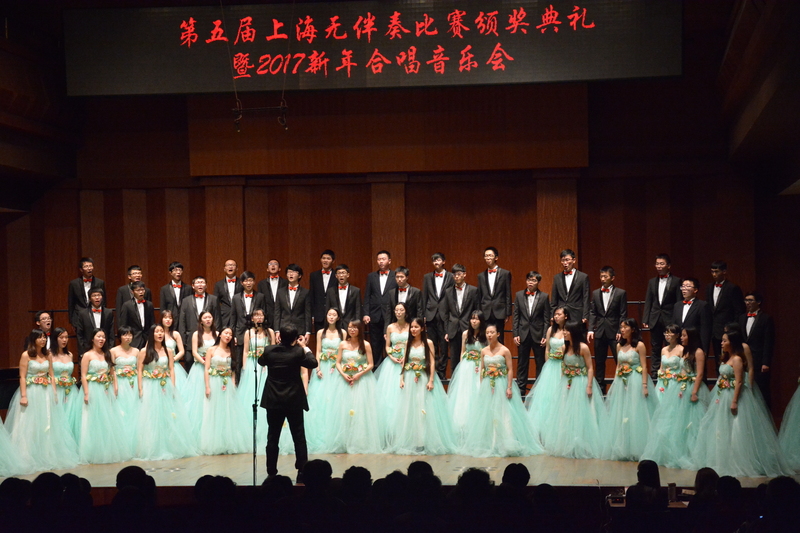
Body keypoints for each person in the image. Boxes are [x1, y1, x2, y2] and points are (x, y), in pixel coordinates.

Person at [692, 330, 792, 477]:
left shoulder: (738, 359)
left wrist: (734, 401)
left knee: (737, 428)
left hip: (734, 396)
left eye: (725, 340)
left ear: (732, 342)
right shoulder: (727, 357)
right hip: (723, 396)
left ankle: (740, 461)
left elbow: (739, 381)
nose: (721, 343)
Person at [462, 323, 543, 457]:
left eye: (492, 332)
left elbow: (510, 370)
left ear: (498, 334)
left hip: (501, 383)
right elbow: (482, 369)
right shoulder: (484, 351)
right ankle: (489, 442)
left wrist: (509, 387)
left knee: (503, 412)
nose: (489, 335)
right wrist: (482, 386)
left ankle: (505, 441)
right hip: (488, 384)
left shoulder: (505, 350)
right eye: (487, 332)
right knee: (488, 412)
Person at [5, 330, 78, 471]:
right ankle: (27, 455)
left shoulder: (47, 355)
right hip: (32, 391)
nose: (43, 340)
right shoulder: (26, 355)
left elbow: (51, 375)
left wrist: (54, 393)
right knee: (30, 422)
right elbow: (22, 377)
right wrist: (24, 395)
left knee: (47, 421)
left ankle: (47, 453)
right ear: (33, 339)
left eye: (44, 337)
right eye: (40, 337)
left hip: (46, 392)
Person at [642, 327, 710, 469]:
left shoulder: (698, 352)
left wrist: (694, 392)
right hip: (681, 386)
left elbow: (699, 374)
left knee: (692, 421)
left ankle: (693, 452)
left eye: (684, 335)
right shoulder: (686, 351)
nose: (682, 338)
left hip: (692, 387)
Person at [258, 326, 318, 482]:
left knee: (273, 437)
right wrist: (304, 347)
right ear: (295, 339)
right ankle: (302, 471)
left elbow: (260, 361)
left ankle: (271, 471)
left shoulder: (269, 350)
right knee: (299, 437)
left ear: (279, 337)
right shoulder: (298, 352)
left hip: (274, 399)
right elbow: (313, 363)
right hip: (293, 400)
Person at [388, 317, 456, 455]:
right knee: (410, 408)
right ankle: (412, 440)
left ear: (422, 328)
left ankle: (424, 440)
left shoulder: (428, 343)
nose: (413, 329)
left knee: (423, 408)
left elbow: (431, 362)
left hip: (423, 377)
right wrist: (401, 378)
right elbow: (405, 361)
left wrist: (431, 380)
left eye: (416, 327)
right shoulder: (408, 343)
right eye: (412, 327)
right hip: (410, 378)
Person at [135, 324, 196, 460]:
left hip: (165, 385)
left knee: (167, 415)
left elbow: (171, 369)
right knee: (151, 415)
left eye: (161, 331)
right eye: (157, 331)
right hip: (150, 385)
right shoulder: (144, 351)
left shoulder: (168, 350)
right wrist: (140, 388)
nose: (160, 334)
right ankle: (151, 447)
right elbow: (139, 370)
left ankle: (169, 445)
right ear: (152, 334)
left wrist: (172, 386)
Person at [547, 320, 606, 459]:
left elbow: (590, 368)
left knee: (581, 412)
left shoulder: (583, 348)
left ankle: (583, 444)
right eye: (564, 330)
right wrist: (562, 383)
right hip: (568, 383)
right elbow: (563, 366)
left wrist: (589, 385)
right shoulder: (564, 347)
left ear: (573, 332)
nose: (564, 333)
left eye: (567, 330)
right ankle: (568, 443)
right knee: (566, 412)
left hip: (581, 382)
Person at [602, 318, 656, 461]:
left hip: (635, 380)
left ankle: (638, 446)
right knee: (622, 412)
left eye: (625, 327)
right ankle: (623, 445)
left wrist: (644, 385)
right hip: (622, 381)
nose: (622, 330)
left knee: (635, 411)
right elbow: (618, 366)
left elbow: (644, 366)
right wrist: (615, 382)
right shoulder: (619, 346)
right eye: (621, 327)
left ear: (633, 329)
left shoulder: (639, 345)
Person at [79, 328, 132, 464]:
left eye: (103, 337)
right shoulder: (87, 355)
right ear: (92, 339)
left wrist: (115, 386)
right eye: (99, 336)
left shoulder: (107, 354)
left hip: (106, 389)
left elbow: (112, 372)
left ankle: (108, 450)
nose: (101, 339)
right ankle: (93, 451)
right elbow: (83, 375)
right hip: (93, 388)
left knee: (108, 418)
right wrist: (86, 392)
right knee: (93, 419)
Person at [329, 320, 382, 453]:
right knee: (344, 409)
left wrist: (359, 374)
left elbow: (371, 364)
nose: (352, 330)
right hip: (344, 380)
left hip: (362, 380)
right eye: (350, 327)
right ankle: (344, 441)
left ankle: (361, 441)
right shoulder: (342, 344)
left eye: (355, 328)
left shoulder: (366, 344)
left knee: (361, 410)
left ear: (360, 330)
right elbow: (338, 362)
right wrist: (343, 374)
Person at [199, 327, 249, 455]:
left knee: (227, 412)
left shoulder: (231, 351)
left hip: (226, 383)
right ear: (220, 335)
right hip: (214, 382)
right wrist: (207, 386)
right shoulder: (211, 350)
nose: (228, 336)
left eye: (230, 334)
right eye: (226, 333)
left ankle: (227, 442)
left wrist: (233, 385)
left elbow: (232, 371)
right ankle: (214, 443)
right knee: (214, 411)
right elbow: (206, 369)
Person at [526, 307, 570, 447]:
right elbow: (547, 349)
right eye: (555, 314)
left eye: (559, 314)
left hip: (563, 366)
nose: (556, 317)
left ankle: (561, 430)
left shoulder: (568, 331)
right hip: (551, 365)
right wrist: (547, 364)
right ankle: (544, 432)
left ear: (566, 316)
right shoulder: (551, 330)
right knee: (547, 397)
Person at [306, 308, 345, 453]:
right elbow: (318, 351)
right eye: (329, 314)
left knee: (335, 399)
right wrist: (317, 368)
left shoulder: (343, 333)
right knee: (321, 399)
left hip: (336, 367)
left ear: (338, 317)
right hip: (323, 366)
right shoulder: (320, 332)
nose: (331, 317)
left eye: (334, 315)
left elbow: (344, 351)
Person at [447, 310, 487, 446]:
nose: (474, 321)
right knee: (464, 393)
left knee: (477, 391)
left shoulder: (485, 335)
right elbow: (462, 352)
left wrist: (482, 366)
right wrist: (462, 366)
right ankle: (462, 424)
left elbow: (487, 352)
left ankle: (478, 423)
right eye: (472, 319)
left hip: (479, 366)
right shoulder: (465, 334)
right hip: (467, 366)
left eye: (477, 319)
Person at [374, 303, 411, 447]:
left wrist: (405, 358)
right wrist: (392, 356)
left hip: (407, 360)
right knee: (390, 395)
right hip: (392, 362)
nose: (399, 312)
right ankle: (389, 432)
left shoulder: (410, 326)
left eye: (401, 310)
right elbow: (387, 346)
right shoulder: (390, 327)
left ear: (406, 312)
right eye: (397, 310)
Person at [238, 308, 274, 451]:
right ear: (252, 318)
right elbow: (245, 351)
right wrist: (245, 367)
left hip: (266, 366)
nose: (259, 318)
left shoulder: (269, 332)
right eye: (256, 315)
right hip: (252, 365)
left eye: (261, 315)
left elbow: (273, 350)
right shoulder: (248, 332)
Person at [642, 254, 682, 380]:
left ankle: (670, 372)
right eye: (657, 264)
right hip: (655, 318)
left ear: (668, 266)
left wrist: (677, 320)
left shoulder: (676, 281)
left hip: (670, 318)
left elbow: (678, 302)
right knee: (655, 347)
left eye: (662, 264)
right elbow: (649, 300)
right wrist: (645, 318)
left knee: (671, 345)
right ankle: (655, 373)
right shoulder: (652, 281)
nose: (659, 266)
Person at [587, 266, 627, 392]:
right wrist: (590, 329)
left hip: (614, 331)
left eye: (605, 276)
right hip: (600, 331)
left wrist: (620, 330)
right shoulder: (595, 293)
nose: (603, 279)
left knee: (619, 359)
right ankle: (600, 388)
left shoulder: (620, 293)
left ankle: (623, 386)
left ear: (612, 278)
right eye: (601, 276)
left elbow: (623, 314)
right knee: (599, 362)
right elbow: (593, 312)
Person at [512, 271, 550, 396]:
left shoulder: (544, 296)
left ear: (538, 282)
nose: (530, 282)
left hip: (538, 334)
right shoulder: (519, 295)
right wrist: (515, 334)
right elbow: (516, 316)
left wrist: (545, 336)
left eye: (533, 280)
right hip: (523, 334)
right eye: (529, 280)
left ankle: (540, 389)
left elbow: (546, 319)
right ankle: (521, 389)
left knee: (540, 362)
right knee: (522, 363)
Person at [183, 310, 217, 438]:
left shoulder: (217, 334)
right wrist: (204, 362)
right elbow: (194, 352)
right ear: (201, 321)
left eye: (210, 317)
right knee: (198, 396)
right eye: (205, 318)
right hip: (200, 367)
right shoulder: (196, 334)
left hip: (213, 368)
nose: (208, 319)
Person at [739, 291, 775, 407]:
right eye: (746, 300)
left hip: (759, 360)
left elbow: (768, 342)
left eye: (750, 300)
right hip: (745, 360)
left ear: (758, 302)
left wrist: (766, 362)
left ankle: (765, 415)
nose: (747, 303)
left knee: (762, 389)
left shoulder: (766, 318)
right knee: (746, 388)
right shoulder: (741, 318)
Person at [706, 261, 745, 363]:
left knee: (729, 359)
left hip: (727, 330)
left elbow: (739, 311)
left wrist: (731, 328)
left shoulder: (732, 288)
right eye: (712, 272)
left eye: (716, 271)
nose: (714, 274)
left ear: (724, 272)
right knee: (717, 360)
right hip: (714, 330)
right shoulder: (709, 287)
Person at [422, 253, 454, 377]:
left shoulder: (451, 276)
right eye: (434, 260)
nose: (436, 262)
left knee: (444, 346)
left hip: (445, 315)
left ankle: (442, 372)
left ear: (443, 262)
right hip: (430, 314)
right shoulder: (427, 277)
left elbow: (452, 297)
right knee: (432, 344)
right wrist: (423, 314)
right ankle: (433, 371)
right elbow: (424, 296)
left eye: (438, 260)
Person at [363, 250, 397, 366]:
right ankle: (376, 370)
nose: (381, 261)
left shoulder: (395, 276)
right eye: (379, 259)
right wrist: (366, 313)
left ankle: (390, 370)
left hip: (391, 317)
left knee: (390, 345)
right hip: (375, 315)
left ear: (389, 261)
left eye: (383, 259)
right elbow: (367, 296)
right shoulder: (371, 276)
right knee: (376, 346)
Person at [444, 263, 479, 373]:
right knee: (454, 359)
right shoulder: (448, 291)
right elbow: (445, 313)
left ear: (464, 274)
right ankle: (455, 382)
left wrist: (476, 329)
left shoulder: (473, 290)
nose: (456, 277)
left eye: (459, 274)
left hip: (468, 328)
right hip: (453, 329)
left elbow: (477, 310)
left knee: (469, 357)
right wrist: (447, 330)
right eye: (454, 274)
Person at [109, 325, 141, 446]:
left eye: (130, 335)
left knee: (135, 408)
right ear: (120, 337)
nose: (128, 337)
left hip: (133, 381)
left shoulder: (136, 351)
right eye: (125, 335)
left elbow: (139, 369)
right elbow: (112, 370)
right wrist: (115, 385)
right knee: (121, 408)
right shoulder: (113, 351)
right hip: (120, 382)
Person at [51, 327, 81, 441]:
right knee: (57, 417)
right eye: (61, 337)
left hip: (70, 390)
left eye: (66, 337)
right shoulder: (49, 354)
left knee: (71, 416)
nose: (64, 340)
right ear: (55, 338)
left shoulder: (70, 355)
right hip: (56, 388)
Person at [477, 247, 512, 343]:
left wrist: (508, 313)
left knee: (499, 338)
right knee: (485, 339)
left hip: (499, 311)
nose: (488, 258)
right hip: (485, 311)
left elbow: (508, 293)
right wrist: (479, 312)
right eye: (486, 256)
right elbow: (479, 295)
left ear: (496, 257)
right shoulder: (481, 276)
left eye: (490, 255)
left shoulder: (505, 273)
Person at [549, 249, 591, 328]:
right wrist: (552, 314)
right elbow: (554, 298)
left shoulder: (583, 277)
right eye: (563, 260)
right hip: (561, 314)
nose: (565, 263)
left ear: (574, 260)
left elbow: (586, 297)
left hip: (577, 314)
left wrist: (585, 315)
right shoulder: (557, 278)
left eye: (567, 260)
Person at [672, 277, 712, 355]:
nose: (684, 289)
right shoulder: (677, 305)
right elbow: (674, 325)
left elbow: (705, 329)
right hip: (679, 345)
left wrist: (704, 349)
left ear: (695, 290)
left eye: (688, 286)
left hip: (695, 345)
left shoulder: (702, 305)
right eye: (683, 286)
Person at [178, 276, 220, 349]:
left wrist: (217, 338)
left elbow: (217, 319)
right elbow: (182, 321)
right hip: (190, 339)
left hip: (210, 340)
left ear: (206, 285)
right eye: (197, 282)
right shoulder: (186, 301)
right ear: (193, 286)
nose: (200, 284)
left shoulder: (213, 299)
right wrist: (183, 341)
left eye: (202, 282)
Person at [274, 264, 312, 343]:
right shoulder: (280, 292)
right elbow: (277, 312)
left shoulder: (305, 292)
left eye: (294, 272)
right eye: (289, 272)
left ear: (299, 275)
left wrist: (308, 332)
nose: (291, 274)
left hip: (299, 329)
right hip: (283, 328)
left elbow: (307, 313)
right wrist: (277, 330)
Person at [232, 271, 267, 349]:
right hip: (240, 334)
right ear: (242, 283)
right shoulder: (236, 298)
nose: (248, 283)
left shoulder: (260, 297)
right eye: (246, 281)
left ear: (254, 282)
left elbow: (263, 315)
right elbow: (233, 317)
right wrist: (233, 335)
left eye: (250, 280)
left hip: (256, 333)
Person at [75, 288, 115, 356]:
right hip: (88, 348)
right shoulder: (83, 314)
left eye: (99, 295)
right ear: (90, 299)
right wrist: (82, 352)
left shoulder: (108, 313)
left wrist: (110, 349)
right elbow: (80, 334)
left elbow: (111, 333)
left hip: (105, 348)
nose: (97, 297)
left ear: (102, 297)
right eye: (94, 295)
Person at [68, 257, 106, 327]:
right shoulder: (74, 284)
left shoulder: (100, 282)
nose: (89, 268)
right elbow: (71, 303)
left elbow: (104, 301)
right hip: (79, 317)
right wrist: (72, 321)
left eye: (90, 266)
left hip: (96, 315)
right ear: (81, 269)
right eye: (86, 266)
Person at [383, 266, 423, 331]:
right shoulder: (391, 293)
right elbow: (389, 313)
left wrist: (419, 328)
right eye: (397, 277)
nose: (399, 279)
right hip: (395, 326)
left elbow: (419, 311)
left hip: (411, 325)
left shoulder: (416, 292)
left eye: (402, 277)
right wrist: (385, 330)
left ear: (407, 277)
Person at [118, 280, 155, 349]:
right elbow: (123, 324)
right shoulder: (127, 305)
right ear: (132, 292)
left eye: (142, 290)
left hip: (147, 339)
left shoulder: (149, 305)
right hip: (133, 339)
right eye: (138, 290)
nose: (141, 292)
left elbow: (152, 323)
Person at [652, 324, 683, 403]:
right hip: (663, 380)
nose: (667, 335)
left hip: (676, 380)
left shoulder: (681, 349)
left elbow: (683, 367)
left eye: (670, 333)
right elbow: (661, 367)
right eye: (666, 333)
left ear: (677, 335)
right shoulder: (664, 349)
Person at [325, 264, 362, 329]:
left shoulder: (355, 291)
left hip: (351, 325)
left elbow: (358, 309)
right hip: (335, 324)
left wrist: (356, 324)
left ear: (348, 275)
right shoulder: (330, 291)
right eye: (339, 273)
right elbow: (327, 309)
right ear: (336, 276)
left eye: (343, 273)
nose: (341, 275)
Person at [158, 261, 192, 332]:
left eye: (180, 270)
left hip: (184, 321)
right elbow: (163, 307)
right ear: (170, 272)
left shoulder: (188, 288)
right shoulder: (164, 289)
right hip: (170, 321)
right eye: (176, 270)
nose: (178, 272)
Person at [309, 250, 336, 333]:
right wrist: (312, 315)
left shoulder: (337, 275)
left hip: (333, 315)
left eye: (328, 258)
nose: (325, 260)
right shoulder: (314, 275)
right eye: (323, 258)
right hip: (318, 316)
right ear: (320, 260)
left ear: (333, 261)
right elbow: (312, 296)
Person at [160, 310, 188, 390]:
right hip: (161, 365)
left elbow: (182, 351)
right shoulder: (157, 333)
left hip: (174, 365)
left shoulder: (175, 334)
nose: (168, 320)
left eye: (170, 318)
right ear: (161, 319)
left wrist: (173, 359)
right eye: (165, 317)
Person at [258, 259, 288, 329]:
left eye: (275, 264)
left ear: (279, 268)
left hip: (283, 318)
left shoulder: (286, 283)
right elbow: (260, 302)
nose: (273, 265)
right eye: (270, 264)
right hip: (267, 318)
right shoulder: (261, 284)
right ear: (267, 269)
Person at [212, 259, 242, 329]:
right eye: (228, 265)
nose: (230, 267)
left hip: (239, 316)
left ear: (237, 268)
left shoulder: (242, 283)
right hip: (224, 317)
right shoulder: (218, 284)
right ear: (224, 269)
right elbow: (215, 302)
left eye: (233, 265)